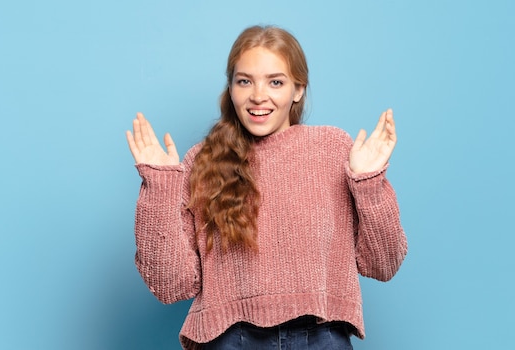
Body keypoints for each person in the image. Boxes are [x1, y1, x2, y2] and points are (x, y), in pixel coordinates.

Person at [126, 25, 407, 350]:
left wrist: (369, 182)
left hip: (322, 338)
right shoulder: (202, 161)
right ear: (231, 89)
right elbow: (169, 285)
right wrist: (159, 188)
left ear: (298, 89)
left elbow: (384, 264)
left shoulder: (333, 150)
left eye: (275, 81)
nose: (258, 95)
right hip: (231, 339)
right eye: (244, 81)